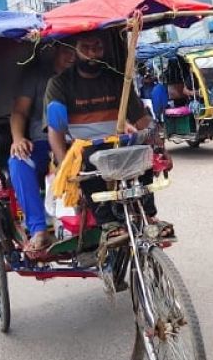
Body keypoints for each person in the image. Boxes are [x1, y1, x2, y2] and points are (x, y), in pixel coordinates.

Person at [45, 31, 168, 243]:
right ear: (75, 51)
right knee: (88, 155)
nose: (93, 53)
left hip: (117, 146)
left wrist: (160, 149)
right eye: (86, 47)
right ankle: (108, 224)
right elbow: (55, 133)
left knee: (144, 150)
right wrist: (64, 165)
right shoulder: (60, 84)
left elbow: (142, 122)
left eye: (98, 47)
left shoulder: (120, 81)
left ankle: (148, 214)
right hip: (84, 152)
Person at [10, 43, 76, 253]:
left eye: (77, 51)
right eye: (67, 50)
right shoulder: (37, 76)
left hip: (81, 141)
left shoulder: (86, 74)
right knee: (18, 161)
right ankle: (39, 229)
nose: (72, 56)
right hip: (42, 143)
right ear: (55, 49)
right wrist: (18, 138)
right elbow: (19, 111)